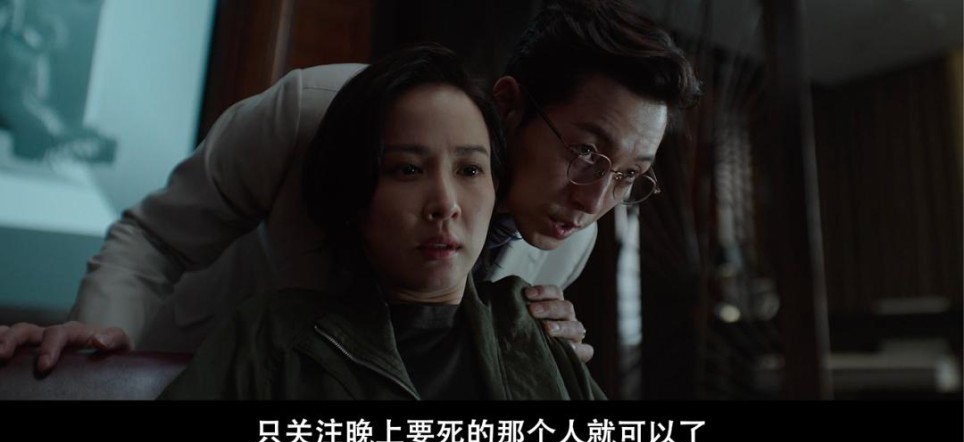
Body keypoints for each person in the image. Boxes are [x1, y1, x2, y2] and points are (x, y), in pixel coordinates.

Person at [0, 0, 699, 371]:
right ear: (510, 103)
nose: (594, 201)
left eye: (630, 177)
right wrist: (99, 357)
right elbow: (156, 240)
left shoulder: (566, 244)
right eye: (586, 153)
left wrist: (539, 359)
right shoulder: (311, 111)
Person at [160, 44, 603, 400]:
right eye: (407, 170)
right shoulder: (271, 336)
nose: (445, 204)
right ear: (354, 195)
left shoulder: (531, 327)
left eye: (470, 170)